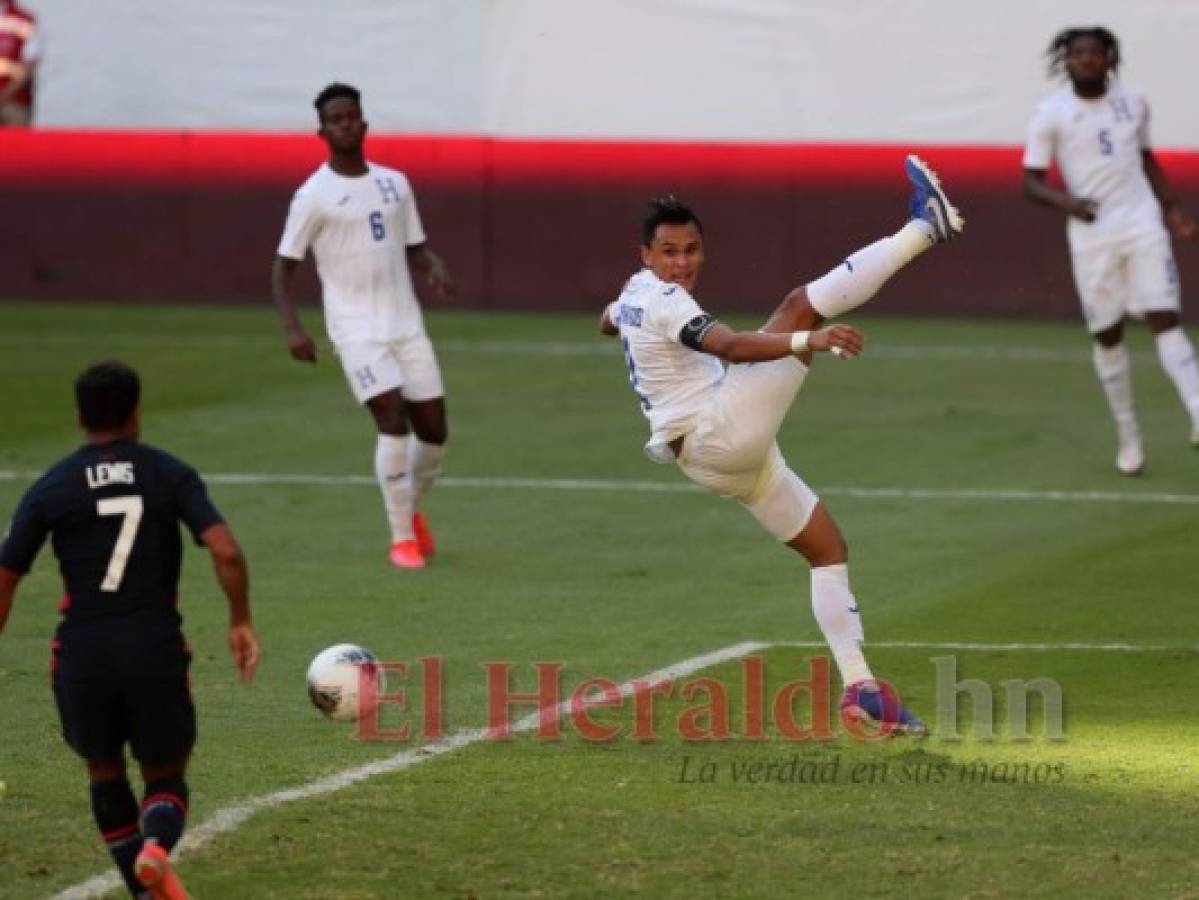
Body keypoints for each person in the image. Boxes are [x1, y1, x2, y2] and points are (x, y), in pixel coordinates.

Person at [600, 156, 964, 734]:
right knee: (800, 304)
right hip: (716, 433)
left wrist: (616, 318)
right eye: (669, 252)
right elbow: (733, 348)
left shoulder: (635, 293)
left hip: (714, 456)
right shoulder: (666, 300)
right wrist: (808, 340)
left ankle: (861, 691)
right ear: (647, 255)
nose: (682, 262)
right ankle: (924, 228)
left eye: (691, 249)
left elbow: (612, 317)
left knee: (827, 549)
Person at [0, 361, 260, 900]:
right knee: (165, 773)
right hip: (152, 647)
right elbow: (227, 552)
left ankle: (145, 889)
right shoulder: (168, 473)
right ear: (137, 412)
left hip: (82, 653)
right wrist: (239, 620)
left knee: (105, 771)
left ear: (79, 417)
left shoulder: (54, 485)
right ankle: (157, 848)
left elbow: (6, 576)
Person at [272, 82, 455, 570]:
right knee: (391, 419)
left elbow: (413, 244)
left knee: (434, 433)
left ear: (364, 123)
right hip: (355, 329)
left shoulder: (395, 184)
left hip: (406, 324)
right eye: (336, 119)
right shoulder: (313, 196)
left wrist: (432, 265)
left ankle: (411, 508)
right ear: (322, 131)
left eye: (352, 116)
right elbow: (284, 266)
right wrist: (293, 327)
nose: (346, 124)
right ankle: (401, 539)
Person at [1023, 27, 1199, 475]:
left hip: (1141, 224)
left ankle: (1198, 410)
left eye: (1094, 53)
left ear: (1109, 59)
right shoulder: (1052, 114)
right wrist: (1070, 204)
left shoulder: (1133, 102)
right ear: (1066, 60)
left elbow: (1146, 158)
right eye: (1077, 54)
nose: (1085, 60)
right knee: (1108, 333)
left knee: (1164, 316)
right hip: (1091, 235)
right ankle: (1129, 435)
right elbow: (1032, 182)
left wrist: (1172, 208)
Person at [0, 0, 39, 126]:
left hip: (15, 101)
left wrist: (4, 95)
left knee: (15, 143)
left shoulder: (25, 20)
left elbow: (30, 64)